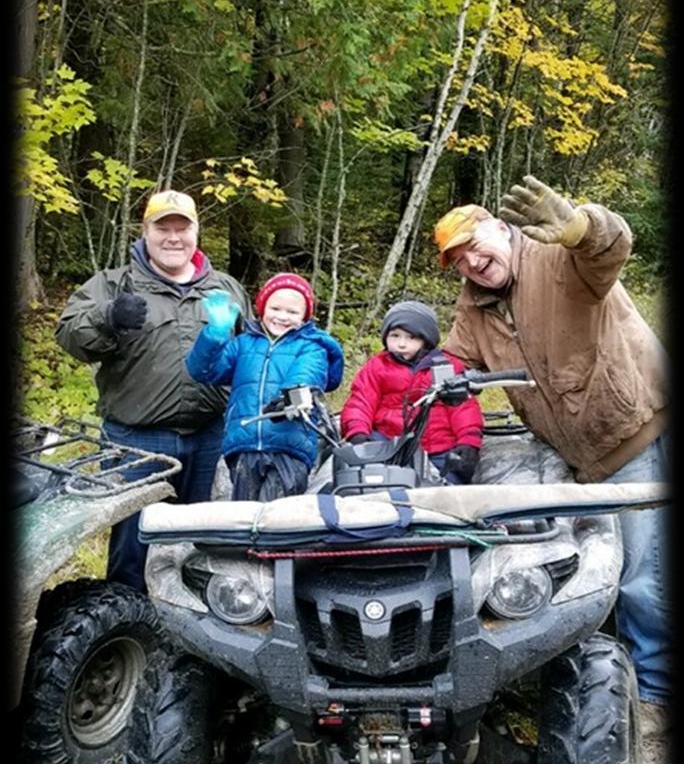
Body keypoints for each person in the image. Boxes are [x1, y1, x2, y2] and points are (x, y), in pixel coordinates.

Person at [434, 175, 671, 736]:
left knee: (643, 573)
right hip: (575, 456)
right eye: (458, 259)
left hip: (634, 432)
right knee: (595, 568)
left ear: (501, 228)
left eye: (474, 245)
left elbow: (611, 245)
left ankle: (657, 693)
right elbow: (451, 361)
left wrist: (581, 226)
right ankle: (612, 678)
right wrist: (402, 377)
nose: (471, 262)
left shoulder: (559, 259)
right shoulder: (476, 304)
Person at [55, 189, 251, 592]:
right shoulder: (114, 284)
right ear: (145, 231)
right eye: (163, 228)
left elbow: (255, 352)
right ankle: (129, 618)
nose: (173, 237)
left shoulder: (226, 289)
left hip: (211, 437)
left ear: (196, 232)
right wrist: (107, 317)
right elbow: (69, 335)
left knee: (204, 541)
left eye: (183, 228)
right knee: (134, 544)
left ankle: (194, 617)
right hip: (137, 441)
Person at [185, 272, 344, 501]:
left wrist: (290, 395)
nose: (282, 317)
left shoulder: (312, 346)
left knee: (278, 514)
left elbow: (308, 373)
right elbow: (202, 370)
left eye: (292, 312)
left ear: (305, 316)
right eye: (275, 308)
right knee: (245, 513)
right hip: (244, 443)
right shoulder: (242, 344)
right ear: (262, 308)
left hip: (289, 446)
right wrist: (215, 334)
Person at [340, 300, 484, 485]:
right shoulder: (377, 367)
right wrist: (357, 432)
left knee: (452, 482)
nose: (401, 344)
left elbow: (463, 408)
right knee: (370, 479)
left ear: (426, 339)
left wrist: (468, 442)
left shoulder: (446, 367)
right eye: (395, 336)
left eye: (411, 338)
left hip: (438, 446)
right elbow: (360, 402)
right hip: (388, 444)